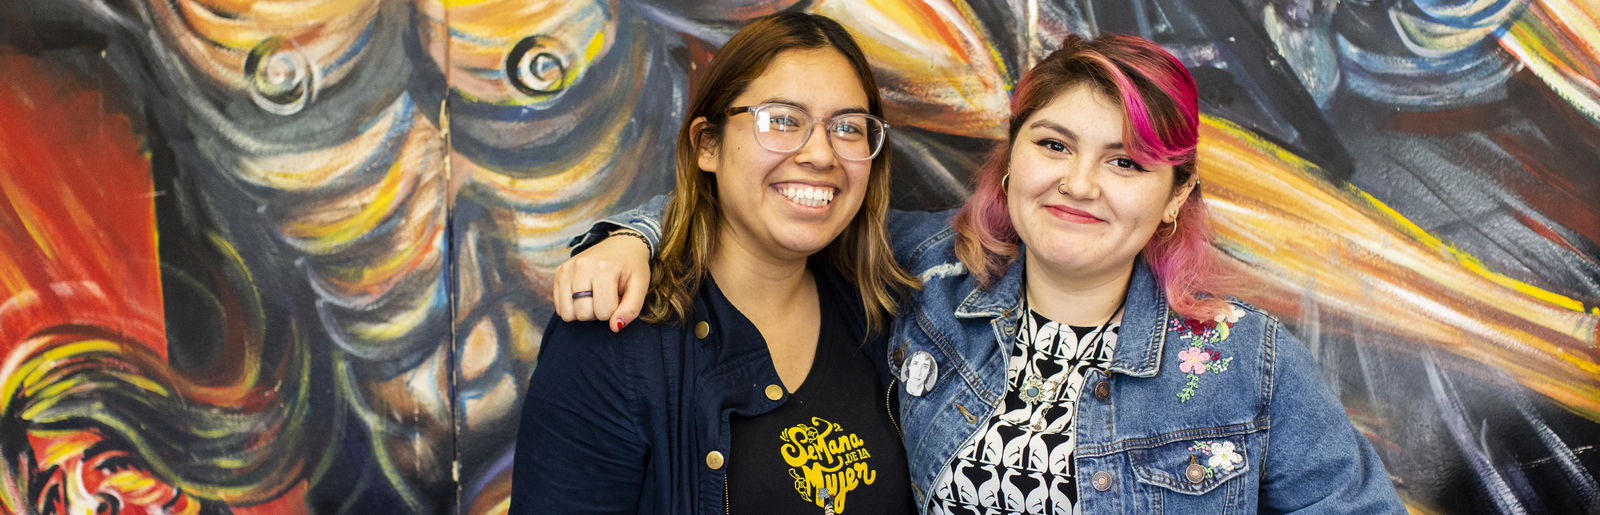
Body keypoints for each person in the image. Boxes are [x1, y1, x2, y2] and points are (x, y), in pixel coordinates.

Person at [556, 31, 1405, 514]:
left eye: (1126, 162)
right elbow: (786, 203)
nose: (1078, 183)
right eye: (1054, 144)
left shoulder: (1244, 363)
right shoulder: (931, 281)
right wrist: (634, 236)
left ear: (1175, 196)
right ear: (1008, 163)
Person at [510, 12, 921, 515]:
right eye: (783, 119)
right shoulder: (612, 339)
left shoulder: (891, 316)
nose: (821, 154)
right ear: (708, 144)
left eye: (848, 128)